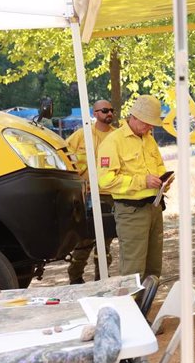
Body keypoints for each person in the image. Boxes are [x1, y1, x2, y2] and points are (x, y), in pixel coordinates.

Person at [98, 94, 168, 280]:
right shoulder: (113, 141)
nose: (150, 127)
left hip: (154, 207)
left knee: (154, 269)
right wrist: (142, 181)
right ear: (134, 117)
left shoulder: (148, 138)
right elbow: (105, 180)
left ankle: (144, 309)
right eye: (147, 123)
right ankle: (131, 308)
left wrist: (164, 180)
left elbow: (159, 164)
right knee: (133, 271)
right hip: (132, 212)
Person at [66, 100, 116, 284]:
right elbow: (64, 155)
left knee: (106, 240)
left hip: (109, 194)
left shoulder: (116, 137)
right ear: (95, 113)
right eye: (104, 110)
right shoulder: (81, 136)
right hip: (86, 194)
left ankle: (101, 276)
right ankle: (75, 276)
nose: (109, 113)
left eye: (111, 110)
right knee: (85, 239)